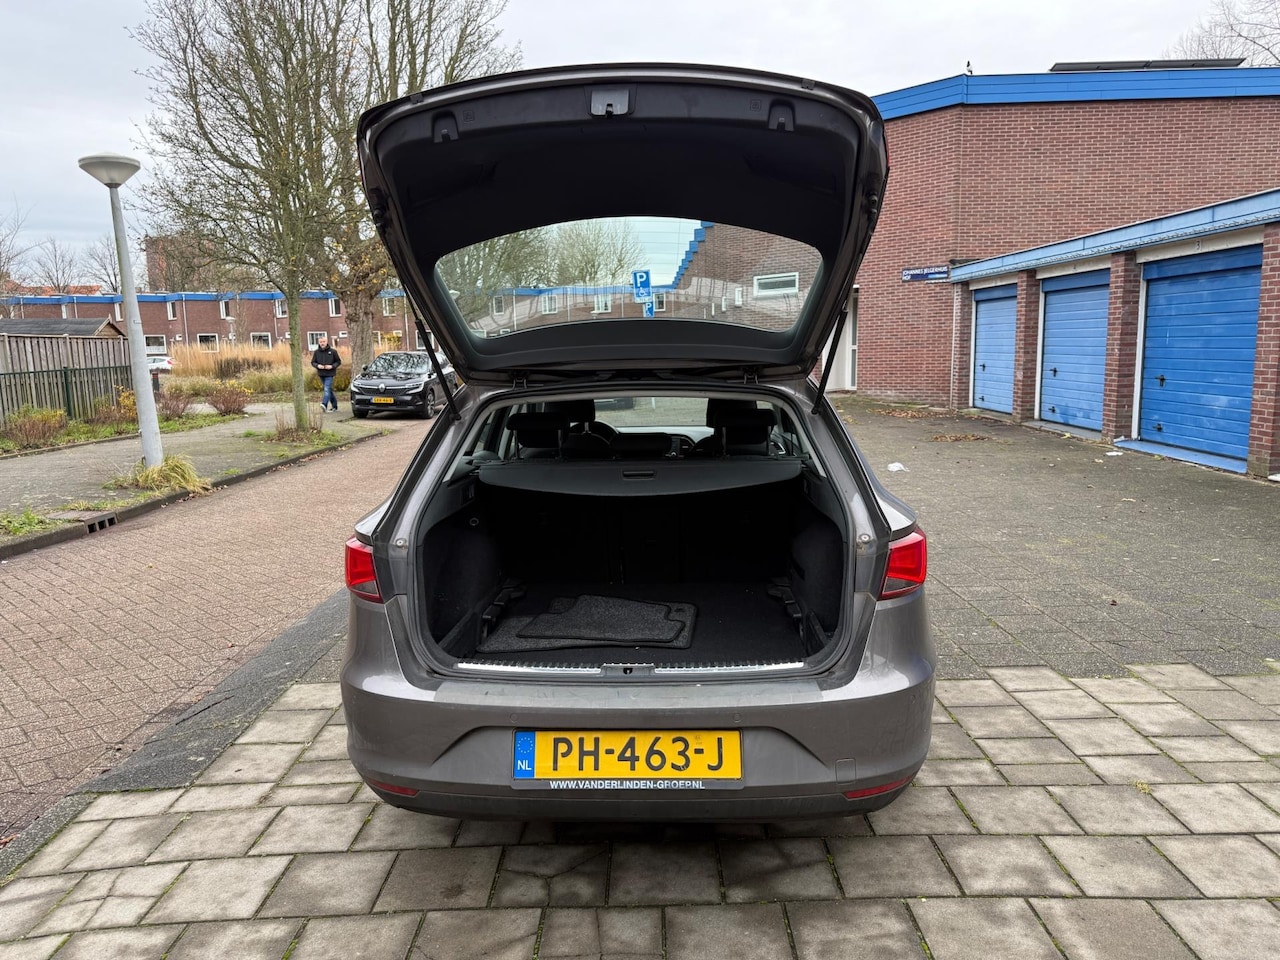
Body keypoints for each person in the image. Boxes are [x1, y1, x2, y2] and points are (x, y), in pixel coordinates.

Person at [311, 337, 342, 412]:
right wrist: (318, 366)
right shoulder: (316, 352)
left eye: (323, 341)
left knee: (326, 389)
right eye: (321, 342)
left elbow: (338, 362)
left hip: (330, 374)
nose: (322, 343)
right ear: (319, 342)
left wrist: (332, 366)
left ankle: (324, 404)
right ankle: (334, 406)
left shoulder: (333, 351)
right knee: (329, 390)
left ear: (326, 342)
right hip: (321, 374)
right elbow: (313, 362)